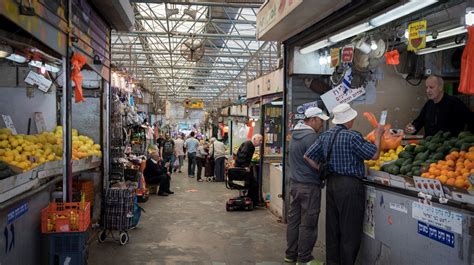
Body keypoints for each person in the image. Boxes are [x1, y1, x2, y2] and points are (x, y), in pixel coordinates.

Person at [304, 103, 384, 265]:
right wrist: (379, 136)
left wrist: (320, 168)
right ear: (349, 120)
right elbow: (374, 154)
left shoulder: (326, 136)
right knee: (350, 230)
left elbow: (307, 156)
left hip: (332, 184)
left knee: (333, 229)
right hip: (350, 187)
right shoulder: (352, 136)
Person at [285, 107, 329, 265]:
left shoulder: (295, 134)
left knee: (294, 221)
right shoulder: (311, 136)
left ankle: (290, 255)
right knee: (308, 224)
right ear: (313, 120)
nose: (322, 124)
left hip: (295, 185)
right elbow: (317, 160)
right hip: (309, 186)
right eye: (321, 120)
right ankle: (304, 259)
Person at [405, 75, 474, 137]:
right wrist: (411, 129)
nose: (428, 90)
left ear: (440, 87)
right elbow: (419, 121)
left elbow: (471, 120)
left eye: (431, 87)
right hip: (430, 146)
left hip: (450, 147)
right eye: (426, 87)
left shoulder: (454, 103)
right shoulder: (429, 104)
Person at [234, 134, 263, 206]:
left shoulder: (250, 145)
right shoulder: (248, 145)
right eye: (260, 140)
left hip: (241, 170)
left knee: (254, 183)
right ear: (254, 139)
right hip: (241, 171)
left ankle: (252, 200)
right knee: (254, 184)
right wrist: (245, 167)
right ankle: (254, 201)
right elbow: (242, 156)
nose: (261, 142)